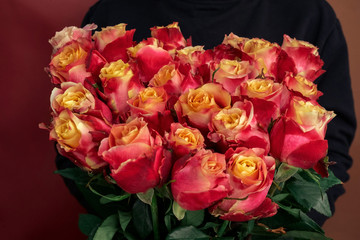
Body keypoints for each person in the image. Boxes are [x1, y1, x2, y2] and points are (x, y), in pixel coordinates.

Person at [57, 0, 356, 226]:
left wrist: (275, 226)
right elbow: (72, 152)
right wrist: (143, 224)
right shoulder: (113, 14)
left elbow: (334, 147)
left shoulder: (308, 13)